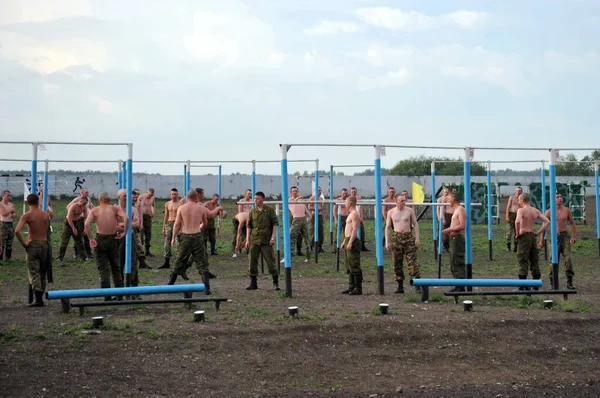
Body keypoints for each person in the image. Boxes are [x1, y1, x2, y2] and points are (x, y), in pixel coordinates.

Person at [167, 189, 214, 295]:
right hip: (197, 236)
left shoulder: (182, 208)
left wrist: (173, 237)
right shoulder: (201, 208)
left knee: (179, 260)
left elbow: (177, 224)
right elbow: (205, 223)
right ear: (197, 197)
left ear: (187, 197)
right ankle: (207, 288)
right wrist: (199, 227)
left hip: (185, 236)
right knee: (202, 263)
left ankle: (169, 285)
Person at [84, 192, 128, 296]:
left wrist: (91, 238)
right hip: (113, 238)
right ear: (108, 199)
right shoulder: (114, 209)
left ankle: (106, 294)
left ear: (99, 200)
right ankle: (119, 293)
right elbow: (126, 218)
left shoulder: (95, 210)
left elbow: (86, 224)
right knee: (115, 266)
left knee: (104, 268)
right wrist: (124, 232)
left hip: (101, 239)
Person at [14, 194, 50, 307]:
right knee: (43, 272)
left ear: (27, 203)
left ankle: (38, 299)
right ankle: (41, 295)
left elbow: (17, 231)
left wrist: (24, 244)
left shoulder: (27, 215)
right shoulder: (45, 214)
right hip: (44, 244)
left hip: (33, 244)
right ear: (38, 201)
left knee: (34, 272)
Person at [539, 193, 577, 290]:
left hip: (565, 236)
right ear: (553, 199)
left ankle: (569, 282)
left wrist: (573, 236)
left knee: (568, 259)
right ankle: (553, 283)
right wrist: (541, 240)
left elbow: (572, 223)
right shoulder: (549, 212)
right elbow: (544, 226)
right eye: (557, 197)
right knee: (553, 260)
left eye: (561, 197)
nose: (560, 199)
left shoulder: (566, 210)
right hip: (554, 237)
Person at [385, 194, 421, 293]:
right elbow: (388, 227)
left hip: (408, 237)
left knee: (412, 262)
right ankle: (400, 285)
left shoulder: (409, 211)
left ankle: (417, 284)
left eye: (404, 201)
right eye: (402, 201)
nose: (404, 202)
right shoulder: (391, 212)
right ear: (396, 202)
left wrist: (417, 238)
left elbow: (415, 224)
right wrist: (387, 241)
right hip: (396, 238)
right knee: (397, 262)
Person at [244, 191, 279, 291]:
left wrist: (273, 238)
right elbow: (249, 226)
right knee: (252, 262)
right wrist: (247, 239)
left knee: (270, 262)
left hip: (266, 241)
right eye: (254, 199)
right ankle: (253, 282)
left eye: (258, 199)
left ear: (262, 199)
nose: (256, 201)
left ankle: (275, 282)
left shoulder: (269, 210)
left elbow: (275, 224)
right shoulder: (252, 211)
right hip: (255, 240)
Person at [515, 193, 549, 289]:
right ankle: (536, 284)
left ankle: (522, 285)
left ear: (522, 200)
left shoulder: (521, 210)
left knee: (523, 259)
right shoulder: (535, 210)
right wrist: (538, 233)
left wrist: (517, 234)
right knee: (534, 259)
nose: (518, 201)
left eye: (519, 200)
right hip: (532, 236)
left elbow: (517, 221)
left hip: (524, 236)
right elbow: (547, 222)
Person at [116, 189, 143, 297]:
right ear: (119, 197)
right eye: (124, 195)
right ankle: (120, 290)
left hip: (130, 237)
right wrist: (126, 224)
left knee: (133, 263)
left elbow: (137, 223)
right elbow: (113, 225)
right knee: (118, 263)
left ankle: (134, 289)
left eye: (128, 195)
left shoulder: (133, 209)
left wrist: (123, 225)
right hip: (118, 238)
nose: (127, 197)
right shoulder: (116, 209)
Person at [442, 192, 467, 292]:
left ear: (453, 199)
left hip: (457, 238)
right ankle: (457, 284)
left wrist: (449, 229)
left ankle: (461, 286)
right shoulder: (456, 210)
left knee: (457, 260)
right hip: (453, 238)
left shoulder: (460, 210)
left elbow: (462, 225)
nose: (448, 202)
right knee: (453, 261)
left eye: (449, 199)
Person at [340, 196, 362, 295]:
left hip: (352, 240)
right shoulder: (350, 214)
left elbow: (354, 229)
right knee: (349, 265)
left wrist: (350, 242)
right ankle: (351, 286)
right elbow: (347, 230)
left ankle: (358, 287)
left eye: (346, 203)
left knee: (354, 264)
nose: (345, 204)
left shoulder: (355, 214)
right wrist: (344, 241)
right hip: (348, 239)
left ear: (350, 204)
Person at [56, 196, 89, 262]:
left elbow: (86, 218)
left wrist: (85, 228)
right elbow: (68, 218)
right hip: (68, 223)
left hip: (76, 222)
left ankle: (83, 257)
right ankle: (60, 257)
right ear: (80, 201)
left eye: (85, 204)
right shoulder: (73, 206)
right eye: (83, 204)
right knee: (65, 241)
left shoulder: (84, 208)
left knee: (79, 241)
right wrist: (73, 228)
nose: (83, 205)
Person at [158, 188, 184, 269]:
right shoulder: (167, 204)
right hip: (169, 223)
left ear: (178, 195)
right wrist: (164, 227)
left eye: (175, 194)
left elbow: (183, 217)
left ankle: (178, 262)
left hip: (177, 223)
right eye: (172, 194)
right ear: (170, 195)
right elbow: (166, 216)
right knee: (167, 243)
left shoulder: (180, 204)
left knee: (178, 243)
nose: (174, 196)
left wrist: (181, 228)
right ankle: (166, 262)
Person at [67, 188, 94, 259]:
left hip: (86, 219)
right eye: (86, 192)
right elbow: (68, 207)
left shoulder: (88, 200)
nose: (87, 193)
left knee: (87, 235)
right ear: (81, 193)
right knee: (78, 236)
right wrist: (76, 215)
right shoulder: (77, 200)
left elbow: (90, 207)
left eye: (88, 192)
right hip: (79, 220)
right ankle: (77, 253)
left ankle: (88, 253)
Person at [288, 186, 310, 262]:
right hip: (296, 219)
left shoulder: (301, 201)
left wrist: (308, 219)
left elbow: (307, 212)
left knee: (306, 238)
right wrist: (298, 199)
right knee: (292, 238)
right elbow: (293, 203)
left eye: (296, 191)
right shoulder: (290, 200)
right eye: (293, 191)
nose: (295, 192)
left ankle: (308, 256)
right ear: (291, 192)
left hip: (303, 219)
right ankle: (289, 256)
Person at [132, 190, 151, 269]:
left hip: (135, 227)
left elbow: (140, 215)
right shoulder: (125, 204)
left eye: (136, 197)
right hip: (125, 228)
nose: (134, 199)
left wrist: (141, 224)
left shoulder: (139, 204)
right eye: (133, 197)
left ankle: (142, 263)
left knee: (139, 245)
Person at [350, 187, 369, 251]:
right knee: (351, 231)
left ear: (356, 192)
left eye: (354, 191)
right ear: (350, 192)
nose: (353, 193)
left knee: (362, 231)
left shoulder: (359, 198)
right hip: (352, 216)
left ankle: (362, 246)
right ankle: (352, 244)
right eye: (352, 192)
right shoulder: (349, 199)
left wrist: (361, 217)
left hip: (358, 217)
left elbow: (360, 208)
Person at [308, 187, 325, 254]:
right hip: (314, 215)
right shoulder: (312, 198)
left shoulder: (321, 199)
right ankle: (312, 246)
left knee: (320, 231)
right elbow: (309, 207)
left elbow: (322, 209)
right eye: (318, 190)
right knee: (313, 231)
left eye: (320, 190)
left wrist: (323, 217)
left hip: (320, 216)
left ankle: (320, 246)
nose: (319, 192)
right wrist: (317, 209)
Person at [139, 188, 156, 256]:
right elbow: (136, 205)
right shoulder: (141, 197)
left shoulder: (152, 198)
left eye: (151, 195)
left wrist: (153, 213)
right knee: (141, 233)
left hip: (148, 217)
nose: (150, 196)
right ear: (146, 193)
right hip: (141, 216)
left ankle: (147, 251)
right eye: (149, 195)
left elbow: (153, 205)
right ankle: (140, 250)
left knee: (148, 234)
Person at [505, 186, 523, 252]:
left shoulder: (522, 199)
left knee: (517, 231)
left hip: (518, 215)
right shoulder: (512, 197)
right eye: (517, 191)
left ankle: (516, 245)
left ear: (521, 192)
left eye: (519, 191)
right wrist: (507, 216)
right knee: (509, 231)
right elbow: (508, 207)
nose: (518, 192)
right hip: (511, 214)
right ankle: (508, 245)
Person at [0, 190, 16, 261]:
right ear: (3, 196)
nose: (9, 197)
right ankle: (0, 258)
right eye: (7, 195)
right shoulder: (1, 204)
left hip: (10, 224)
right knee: (2, 242)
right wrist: (10, 210)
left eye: (10, 195)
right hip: (3, 224)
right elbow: (3, 213)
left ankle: (8, 258)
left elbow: (13, 213)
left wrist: (13, 214)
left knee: (10, 241)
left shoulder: (11, 204)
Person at [332, 188, 349, 253]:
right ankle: (335, 249)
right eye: (343, 193)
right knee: (337, 234)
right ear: (341, 193)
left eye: (346, 193)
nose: (345, 194)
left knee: (347, 233)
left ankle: (346, 247)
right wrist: (336, 219)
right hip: (340, 217)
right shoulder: (338, 200)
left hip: (347, 218)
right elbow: (334, 210)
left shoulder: (348, 200)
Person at [440, 186, 456, 253]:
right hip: (447, 215)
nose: (455, 191)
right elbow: (442, 208)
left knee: (454, 231)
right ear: (451, 190)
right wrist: (443, 218)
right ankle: (445, 247)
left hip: (454, 215)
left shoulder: (455, 198)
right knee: (446, 231)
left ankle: (453, 246)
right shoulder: (445, 198)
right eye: (454, 190)